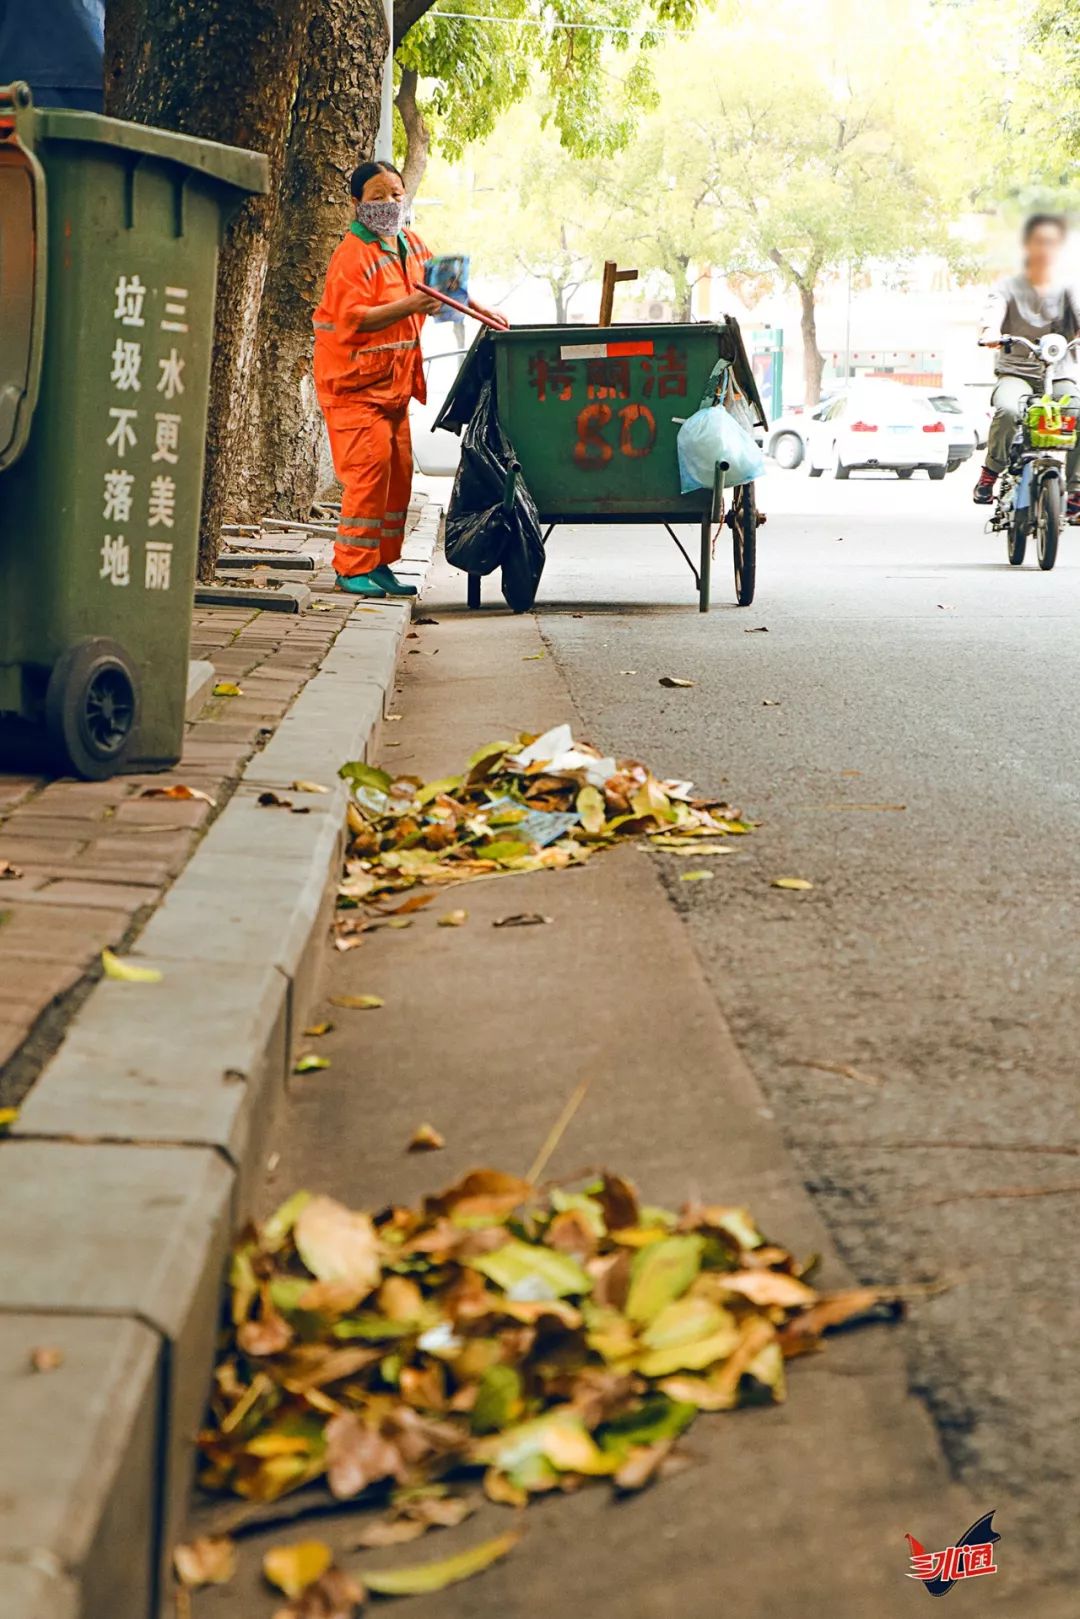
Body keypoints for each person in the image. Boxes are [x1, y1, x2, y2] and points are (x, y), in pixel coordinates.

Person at [313, 160, 508, 597]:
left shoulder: (410, 244)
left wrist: (480, 311)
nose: (389, 204)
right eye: (377, 196)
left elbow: (440, 291)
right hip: (352, 387)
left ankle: (379, 563)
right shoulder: (352, 256)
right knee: (368, 475)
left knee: (396, 480)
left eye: (396, 195)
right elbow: (356, 319)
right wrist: (412, 306)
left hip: (393, 387)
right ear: (356, 204)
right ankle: (351, 567)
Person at [973, 213, 1080, 523]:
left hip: (1057, 373)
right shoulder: (1008, 286)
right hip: (1016, 372)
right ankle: (990, 472)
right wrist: (990, 332)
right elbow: (994, 309)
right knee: (1007, 409)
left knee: (1076, 411)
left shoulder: (1067, 287)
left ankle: (1074, 491)